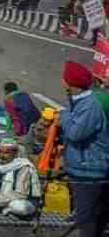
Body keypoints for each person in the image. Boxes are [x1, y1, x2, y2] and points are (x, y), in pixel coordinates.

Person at [59, 61, 109, 237]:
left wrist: (63, 115)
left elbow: (75, 133)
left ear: (70, 83)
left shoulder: (89, 105)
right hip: (85, 168)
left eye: (64, 78)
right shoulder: (81, 102)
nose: (62, 82)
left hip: (89, 172)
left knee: (86, 221)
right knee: (94, 218)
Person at [0, 138, 42, 218]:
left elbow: (20, 194)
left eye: (6, 153)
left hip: (22, 200)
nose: (2, 155)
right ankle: (0, 207)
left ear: (15, 153)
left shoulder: (24, 166)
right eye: (0, 152)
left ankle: (7, 209)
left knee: (20, 208)